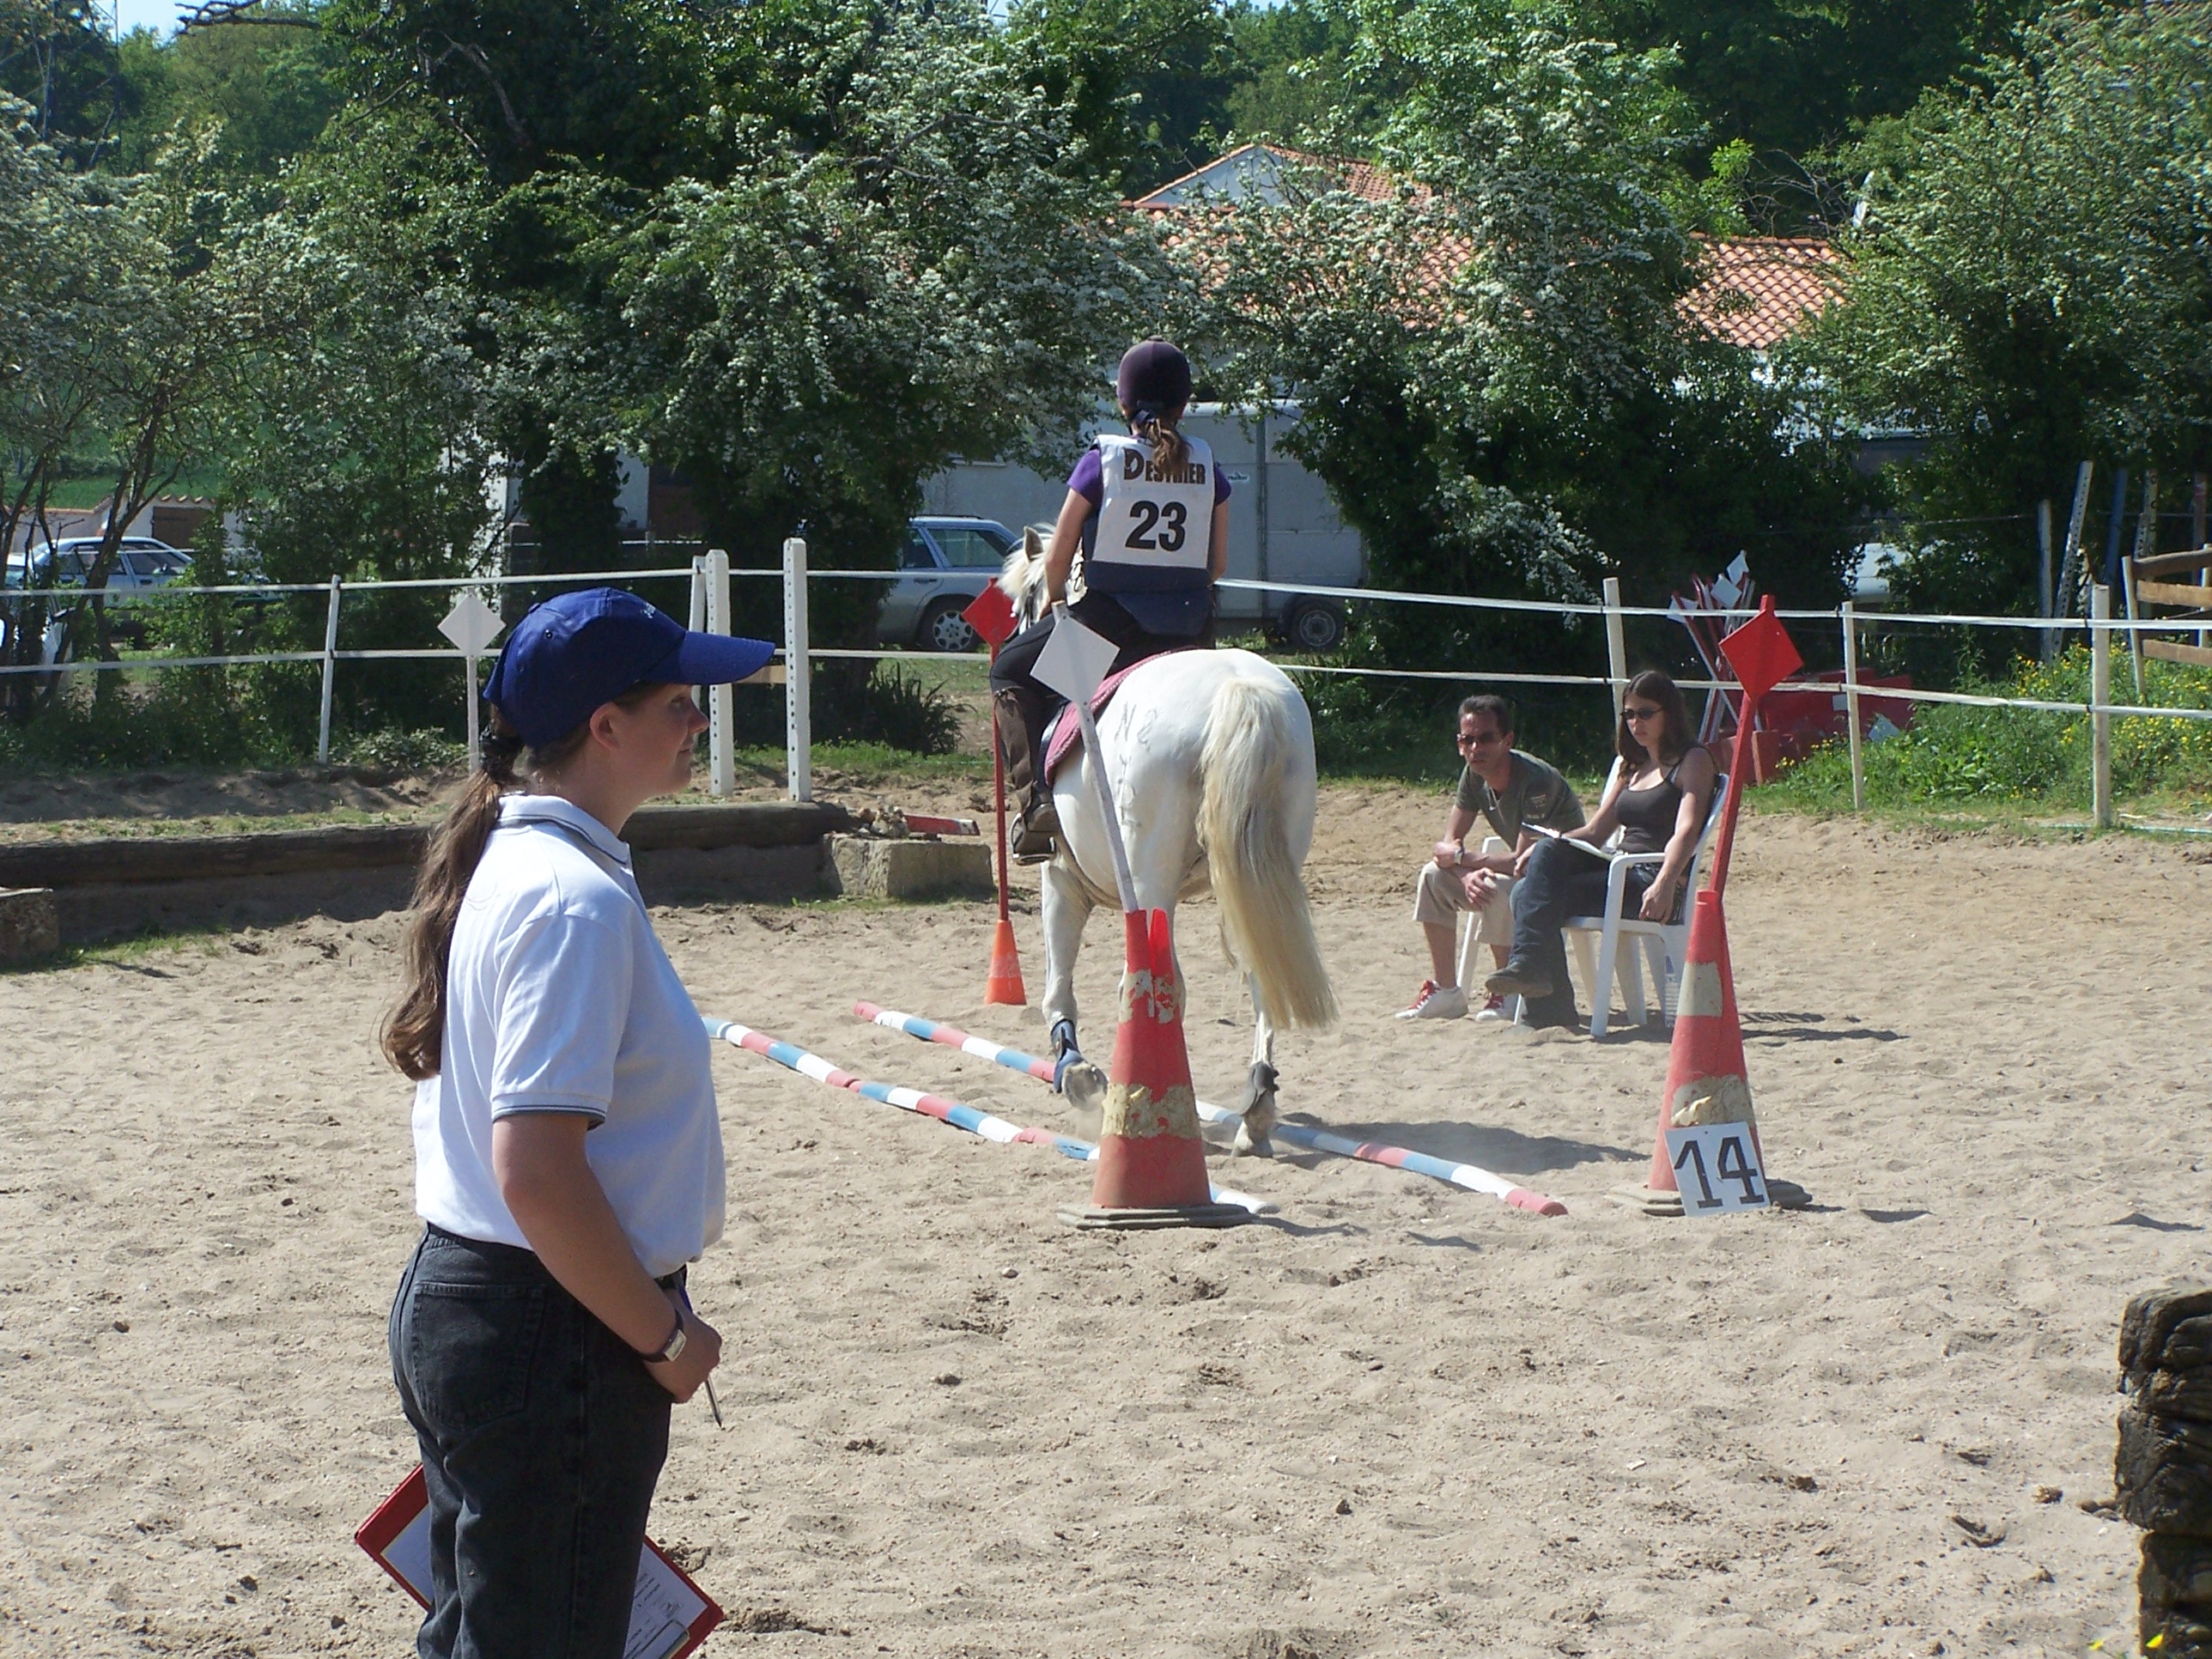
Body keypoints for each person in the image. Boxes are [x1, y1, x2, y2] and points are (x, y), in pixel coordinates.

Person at [381, 587, 773, 1658]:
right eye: (677, 702)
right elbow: (540, 1173)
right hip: (552, 1325)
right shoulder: (571, 899)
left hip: (493, 1305)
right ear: (605, 726)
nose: (697, 718)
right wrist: (663, 1335)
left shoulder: (522, 861)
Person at [988, 337, 1231, 858]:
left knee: (1008, 670)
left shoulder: (1102, 462)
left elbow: (1056, 561)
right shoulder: (1210, 468)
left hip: (1109, 628)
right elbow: (1216, 566)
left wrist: (1056, 606)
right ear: (1185, 405)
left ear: (1123, 404)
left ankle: (1036, 805)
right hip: (1193, 631)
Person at [1485, 668, 1715, 1030]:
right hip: (1617, 870)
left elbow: (1687, 830)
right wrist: (1546, 848)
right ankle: (1545, 996)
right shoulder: (1632, 766)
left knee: (1531, 890)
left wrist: (1666, 881)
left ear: (1668, 713)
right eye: (1630, 714)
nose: (1636, 723)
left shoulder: (1692, 760)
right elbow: (1595, 831)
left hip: (1648, 880)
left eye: (1646, 713)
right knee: (1535, 875)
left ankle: (1542, 992)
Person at [1397, 694, 1583, 1020]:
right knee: (1432, 876)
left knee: (1494, 886)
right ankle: (1447, 990)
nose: (1475, 749)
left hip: (1562, 879)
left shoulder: (1537, 781)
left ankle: (1506, 990)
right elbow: (1447, 846)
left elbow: (1520, 861)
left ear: (1507, 740)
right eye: (1467, 740)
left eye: (1486, 738)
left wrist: (1465, 860)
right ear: (1458, 743)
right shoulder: (1473, 775)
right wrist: (1464, 874)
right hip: (1523, 871)